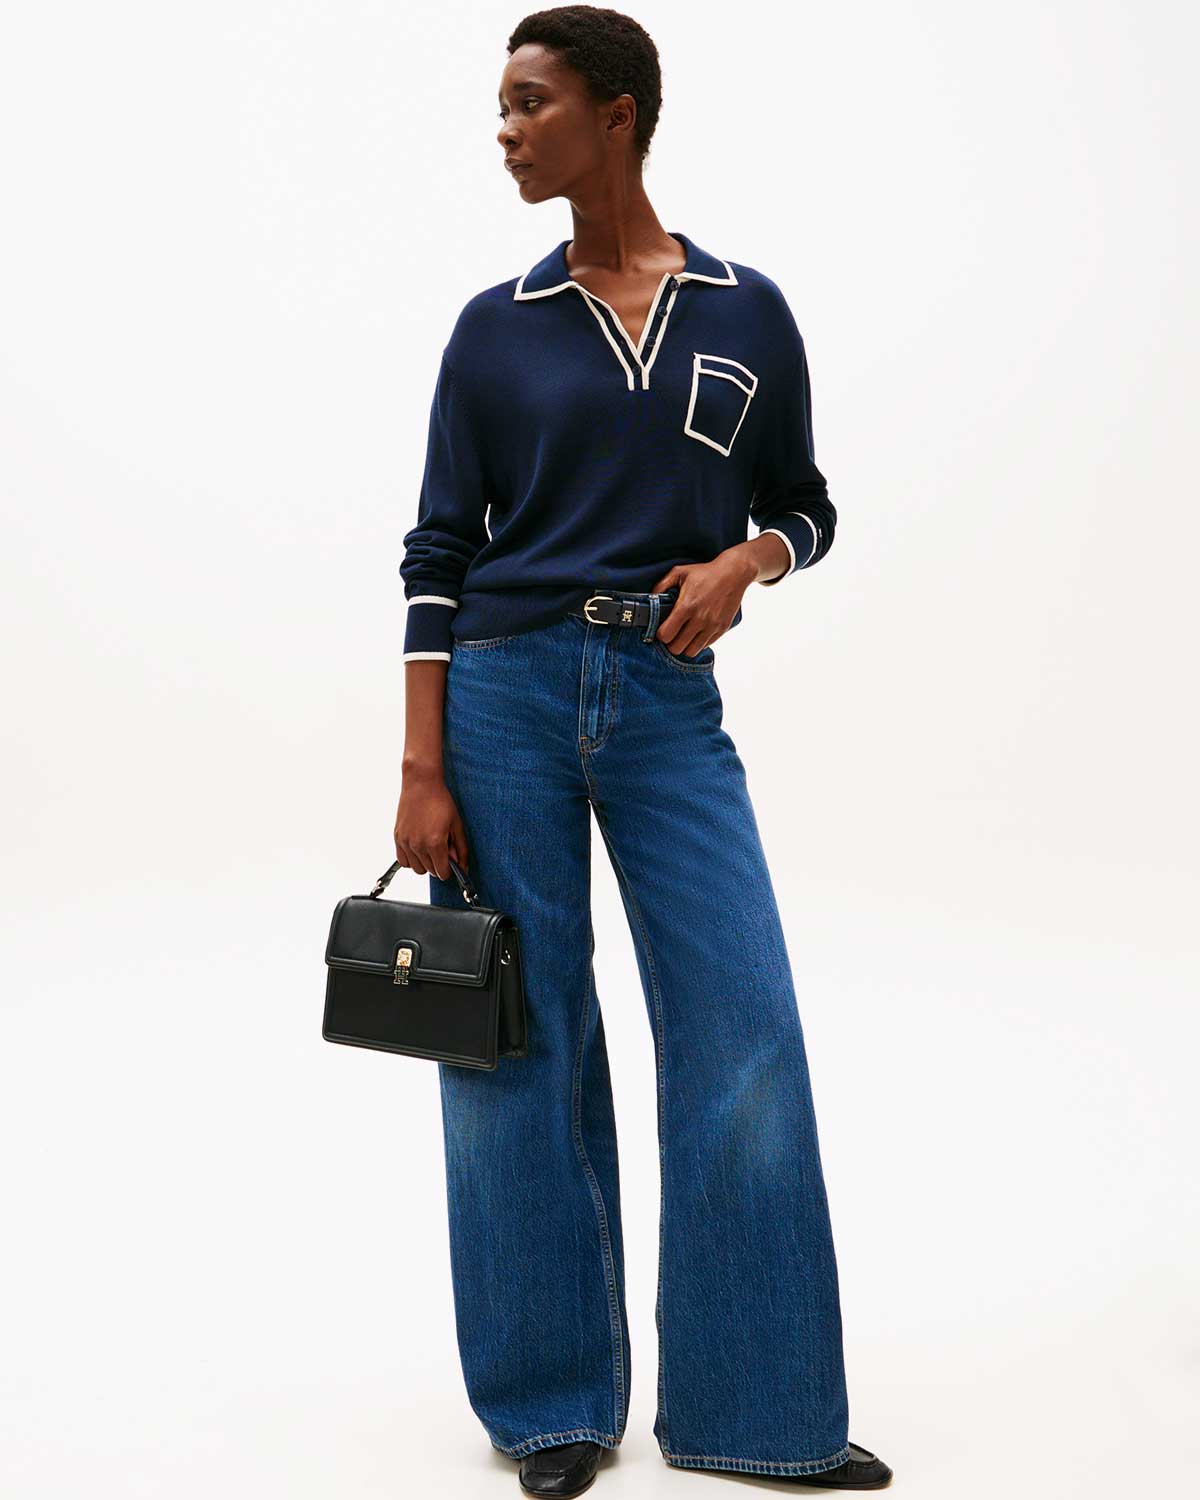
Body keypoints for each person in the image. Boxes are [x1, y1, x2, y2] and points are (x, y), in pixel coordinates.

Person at [393, 7, 892, 1495]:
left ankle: (761, 1414)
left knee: (744, 1027)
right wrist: (421, 767)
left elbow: (807, 504)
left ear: (616, 113)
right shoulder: (495, 327)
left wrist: (747, 562)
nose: (505, 129)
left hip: (668, 704)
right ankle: (551, 1409)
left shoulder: (748, 311)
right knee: (517, 1042)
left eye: (529, 101)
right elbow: (438, 551)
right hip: (500, 699)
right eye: (500, 105)